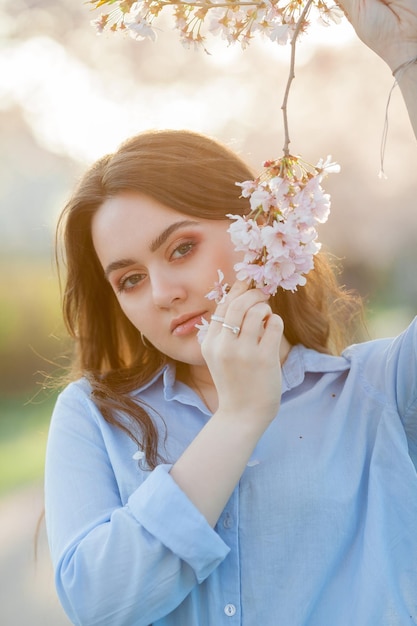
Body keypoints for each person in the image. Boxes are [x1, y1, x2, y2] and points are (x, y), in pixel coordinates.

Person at [44, 0, 417, 624]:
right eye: (131, 279)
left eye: (182, 248)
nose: (162, 291)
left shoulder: (377, 393)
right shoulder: (95, 418)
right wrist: (240, 416)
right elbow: (99, 603)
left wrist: (409, 54)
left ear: (258, 227)